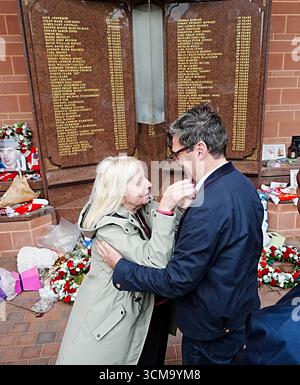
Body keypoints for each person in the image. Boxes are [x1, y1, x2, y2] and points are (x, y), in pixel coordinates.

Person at [97, 104, 264, 365]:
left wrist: (121, 269)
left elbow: (177, 280)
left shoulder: (207, 205)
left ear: (199, 149)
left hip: (212, 330)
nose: (175, 161)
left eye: (177, 154)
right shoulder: (243, 185)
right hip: (239, 312)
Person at [56, 155, 196, 365]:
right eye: (139, 182)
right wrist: (166, 207)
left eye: (146, 178)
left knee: (153, 355)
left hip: (154, 305)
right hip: (123, 314)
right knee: (137, 357)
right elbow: (155, 261)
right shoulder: (109, 228)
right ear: (118, 191)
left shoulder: (141, 208)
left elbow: (166, 228)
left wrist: (178, 208)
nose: (149, 184)